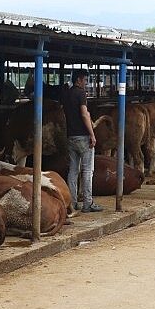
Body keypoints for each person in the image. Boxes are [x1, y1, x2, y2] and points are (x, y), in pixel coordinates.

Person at [61, 69, 102, 213]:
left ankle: (72, 202)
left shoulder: (67, 94)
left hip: (71, 136)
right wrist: (92, 134)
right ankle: (87, 203)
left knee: (73, 171)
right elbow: (84, 115)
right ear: (79, 79)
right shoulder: (80, 93)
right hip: (83, 137)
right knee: (87, 170)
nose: (86, 83)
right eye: (85, 80)